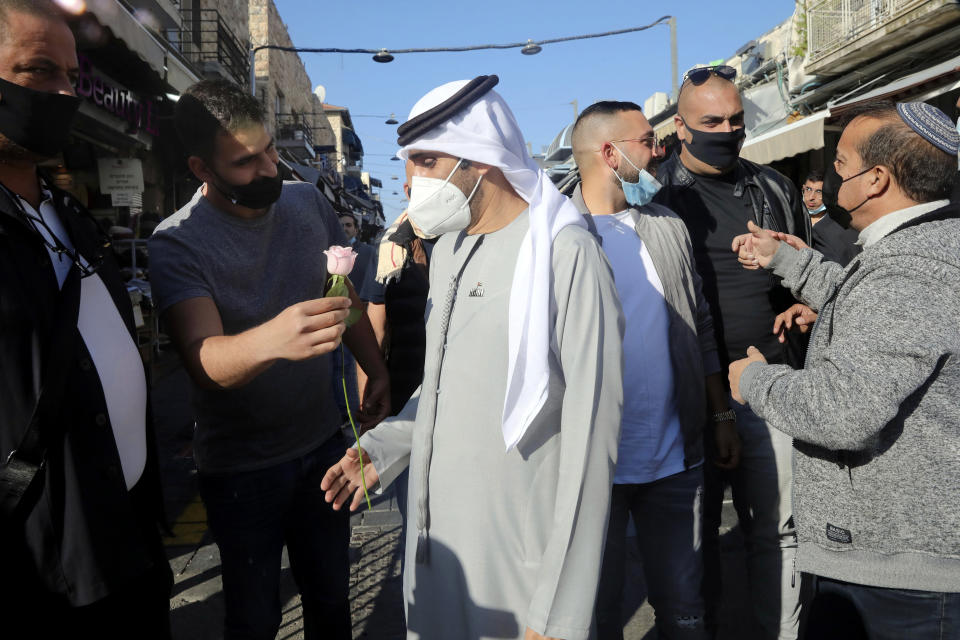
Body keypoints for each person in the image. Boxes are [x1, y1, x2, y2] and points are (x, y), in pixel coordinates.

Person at [322, 75, 625, 640]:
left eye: (428, 162)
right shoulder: (450, 251)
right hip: (436, 553)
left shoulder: (566, 254)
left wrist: (557, 612)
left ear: (479, 160)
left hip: (520, 571)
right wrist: (381, 449)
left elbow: (592, 441)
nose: (411, 181)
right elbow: (439, 389)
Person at [148, 79, 390, 640]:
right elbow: (201, 358)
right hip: (241, 470)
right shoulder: (177, 242)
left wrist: (374, 369)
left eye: (270, 150)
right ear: (200, 168)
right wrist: (274, 338)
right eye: (244, 162)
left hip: (323, 447)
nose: (269, 170)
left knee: (330, 601)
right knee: (254, 617)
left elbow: (344, 296)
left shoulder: (307, 202)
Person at [728, 100, 960, 639]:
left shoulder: (910, 269)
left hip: (898, 579)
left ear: (876, 179)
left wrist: (753, 380)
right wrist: (791, 262)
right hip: (898, 565)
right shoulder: (921, 249)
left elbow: (840, 413)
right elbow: (877, 311)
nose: (832, 174)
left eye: (842, 162)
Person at [0, 1, 172, 637]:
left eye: (71, 74)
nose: (66, 93)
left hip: (128, 539)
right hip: (44, 573)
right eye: (38, 71)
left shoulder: (69, 215)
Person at [570, 101, 740, 640]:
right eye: (646, 141)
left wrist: (720, 416)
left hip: (675, 460)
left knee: (685, 616)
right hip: (591, 469)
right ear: (608, 152)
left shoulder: (666, 224)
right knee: (595, 618)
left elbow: (701, 327)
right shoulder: (556, 236)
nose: (659, 150)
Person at [653, 65, 811, 640]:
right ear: (681, 126)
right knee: (691, 542)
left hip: (772, 384)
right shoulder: (656, 197)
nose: (727, 130)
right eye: (711, 121)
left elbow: (806, 273)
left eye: (737, 120)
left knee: (778, 534)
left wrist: (807, 302)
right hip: (686, 394)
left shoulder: (775, 187)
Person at [802, 170, 860, 267]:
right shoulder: (794, 219)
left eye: (819, 191)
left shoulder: (841, 226)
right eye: (808, 189)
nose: (811, 197)